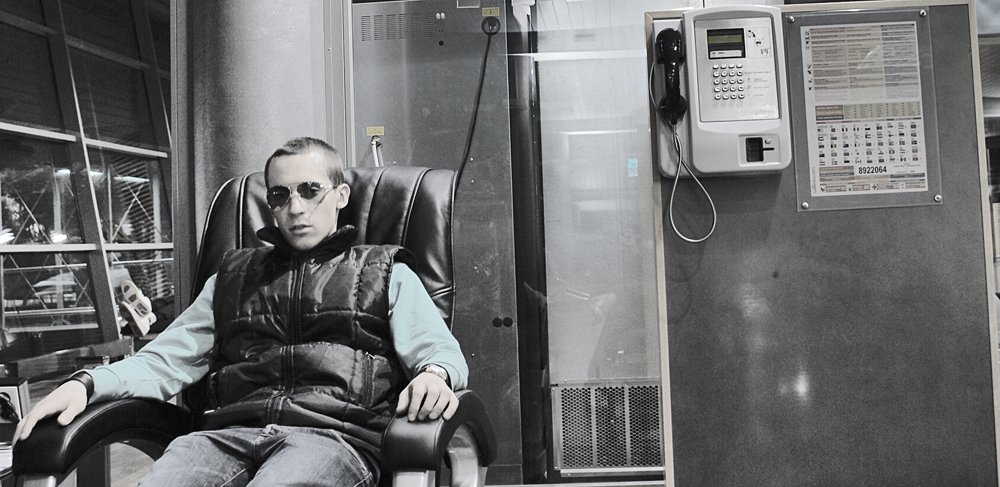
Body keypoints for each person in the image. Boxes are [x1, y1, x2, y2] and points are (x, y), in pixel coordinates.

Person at [14, 137, 468, 487]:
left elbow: (440, 353)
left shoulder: (384, 271)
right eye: (280, 196)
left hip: (333, 437)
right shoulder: (233, 277)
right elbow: (163, 360)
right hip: (223, 436)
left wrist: (435, 375)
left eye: (310, 190)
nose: (295, 208)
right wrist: (87, 384)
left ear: (341, 194)